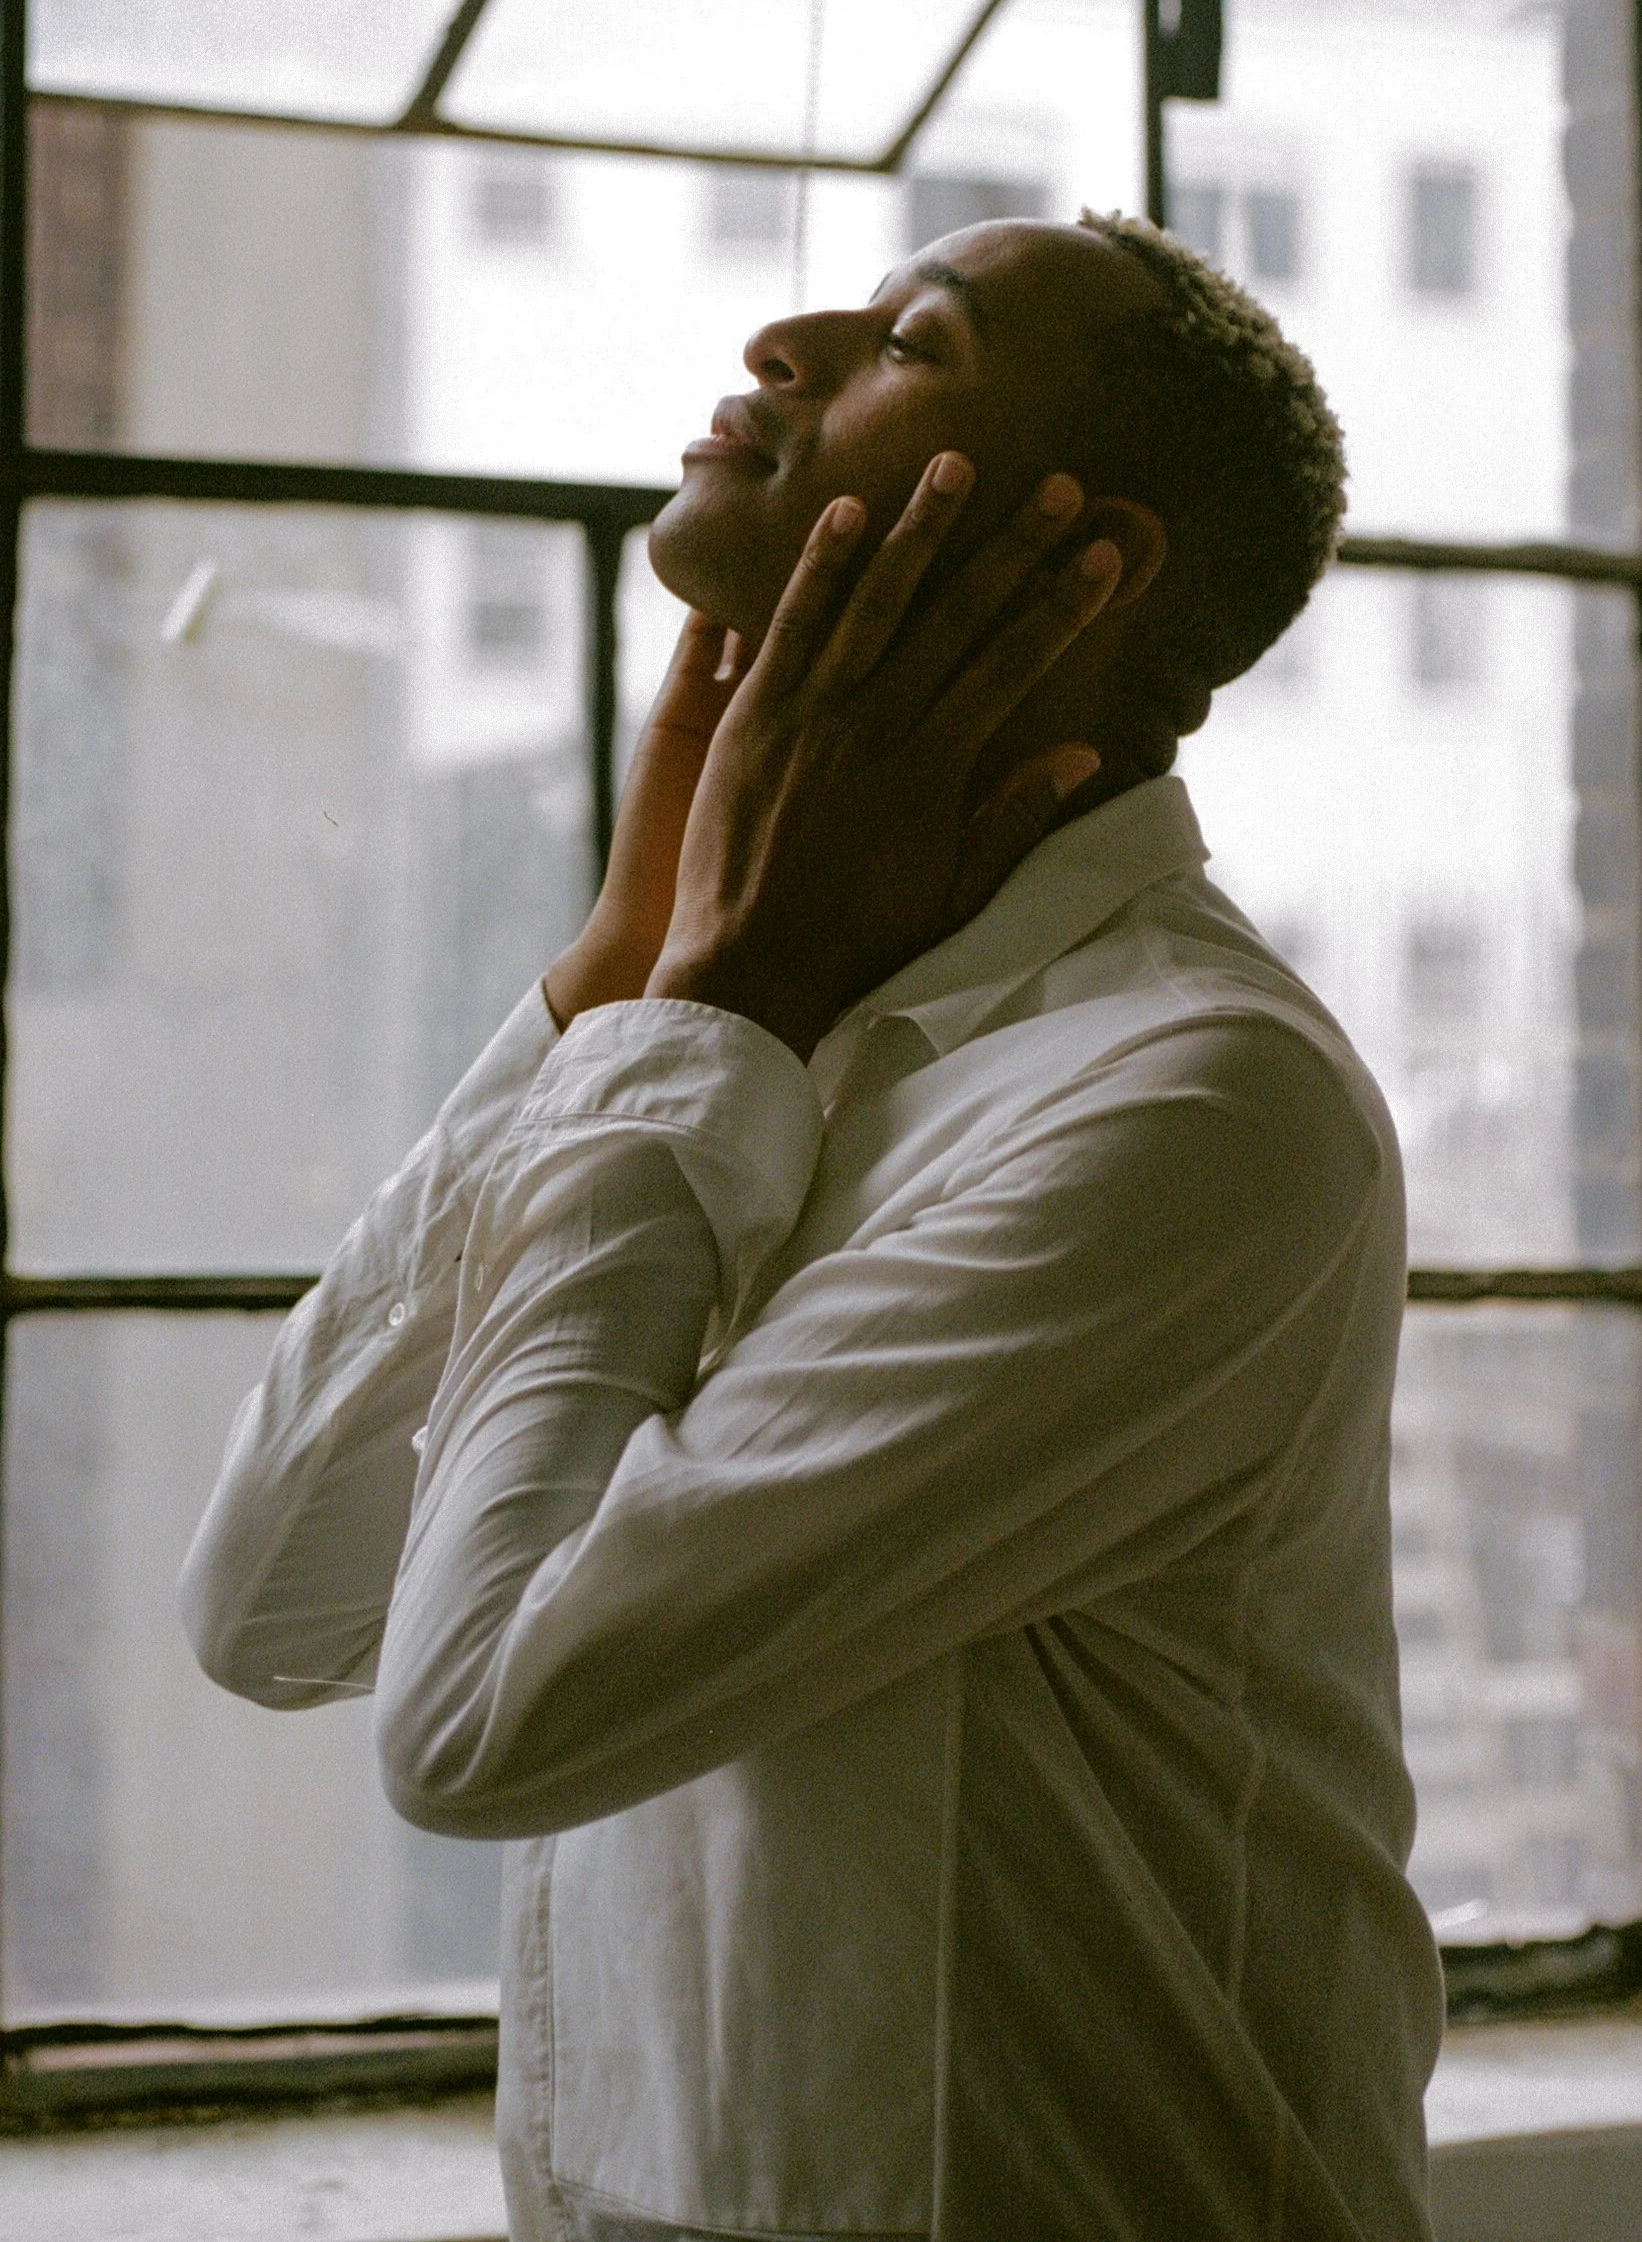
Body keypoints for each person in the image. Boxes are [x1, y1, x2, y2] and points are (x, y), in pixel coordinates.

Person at [181, 210, 1443, 2242]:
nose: (786, 332)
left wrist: (717, 1009)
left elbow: (474, 1721)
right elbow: (268, 1606)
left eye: (911, 338)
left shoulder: (1192, 1102)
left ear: (1070, 570)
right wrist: (610, 984)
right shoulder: (726, 1029)